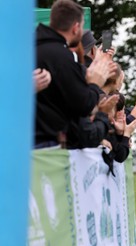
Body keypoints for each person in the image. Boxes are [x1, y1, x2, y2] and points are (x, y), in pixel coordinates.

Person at [35, 0, 111, 148]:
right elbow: (82, 104)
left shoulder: (29, 47)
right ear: (76, 28)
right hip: (47, 143)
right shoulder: (61, 56)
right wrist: (95, 83)